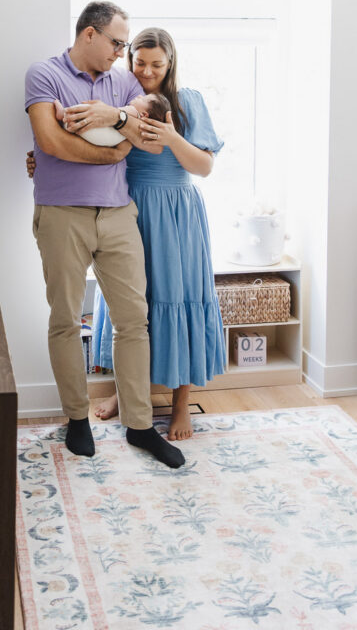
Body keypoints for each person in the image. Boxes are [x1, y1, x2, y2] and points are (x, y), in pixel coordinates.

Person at [30, 27, 226, 442]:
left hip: (174, 212)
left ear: (170, 62)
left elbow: (204, 167)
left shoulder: (186, 101)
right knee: (129, 309)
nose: (148, 71)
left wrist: (172, 137)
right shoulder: (121, 96)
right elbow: (89, 143)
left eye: (157, 64)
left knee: (175, 298)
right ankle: (126, 394)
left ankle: (178, 404)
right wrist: (42, 160)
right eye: (140, 61)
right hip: (126, 205)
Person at [53, 91, 171, 146]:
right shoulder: (141, 128)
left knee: (90, 109)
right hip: (108, 142)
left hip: (102, 134)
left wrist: (103, 108)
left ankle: (63, 112)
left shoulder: (133, 111)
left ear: (145, 114)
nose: (140, 96)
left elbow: (111, 113)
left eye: (143, 99)